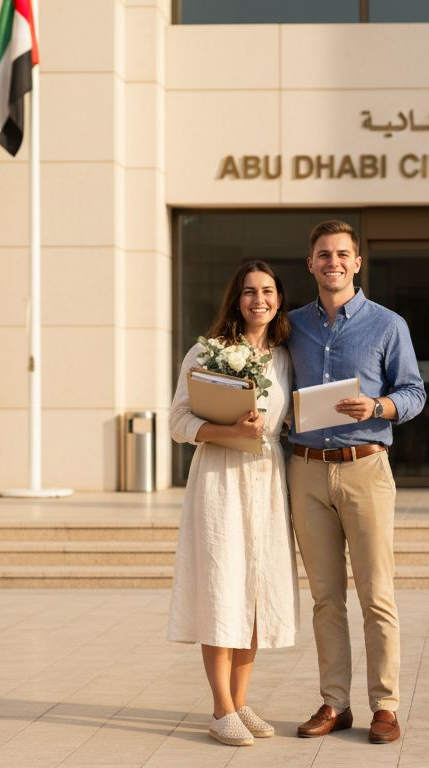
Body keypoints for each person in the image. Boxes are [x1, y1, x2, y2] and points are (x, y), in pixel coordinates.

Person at [286, 220, 426, 744]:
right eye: (323, 254)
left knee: (376, 595)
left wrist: (378, 404)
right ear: (311, 263)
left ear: (357, 262)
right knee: (325, 597)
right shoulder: (291, 325)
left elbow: (414, 392)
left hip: (366, 466)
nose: (333, 262)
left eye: (342, 254)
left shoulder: (388, 325)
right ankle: (334, 703)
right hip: (305, 470)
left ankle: (385, 706)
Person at [167, 260, 299, 747]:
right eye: (248, 291)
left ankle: (242, 701)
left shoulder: (285, 357)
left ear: (280, 299)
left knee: (256, 590)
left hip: (266, 481)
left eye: (267, 291)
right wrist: (228, 431)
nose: (258, 299)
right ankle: (220, 708)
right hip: (219, 481)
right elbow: (178, 421)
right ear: (236, 299)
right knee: (222, 588)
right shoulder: (207, 350)